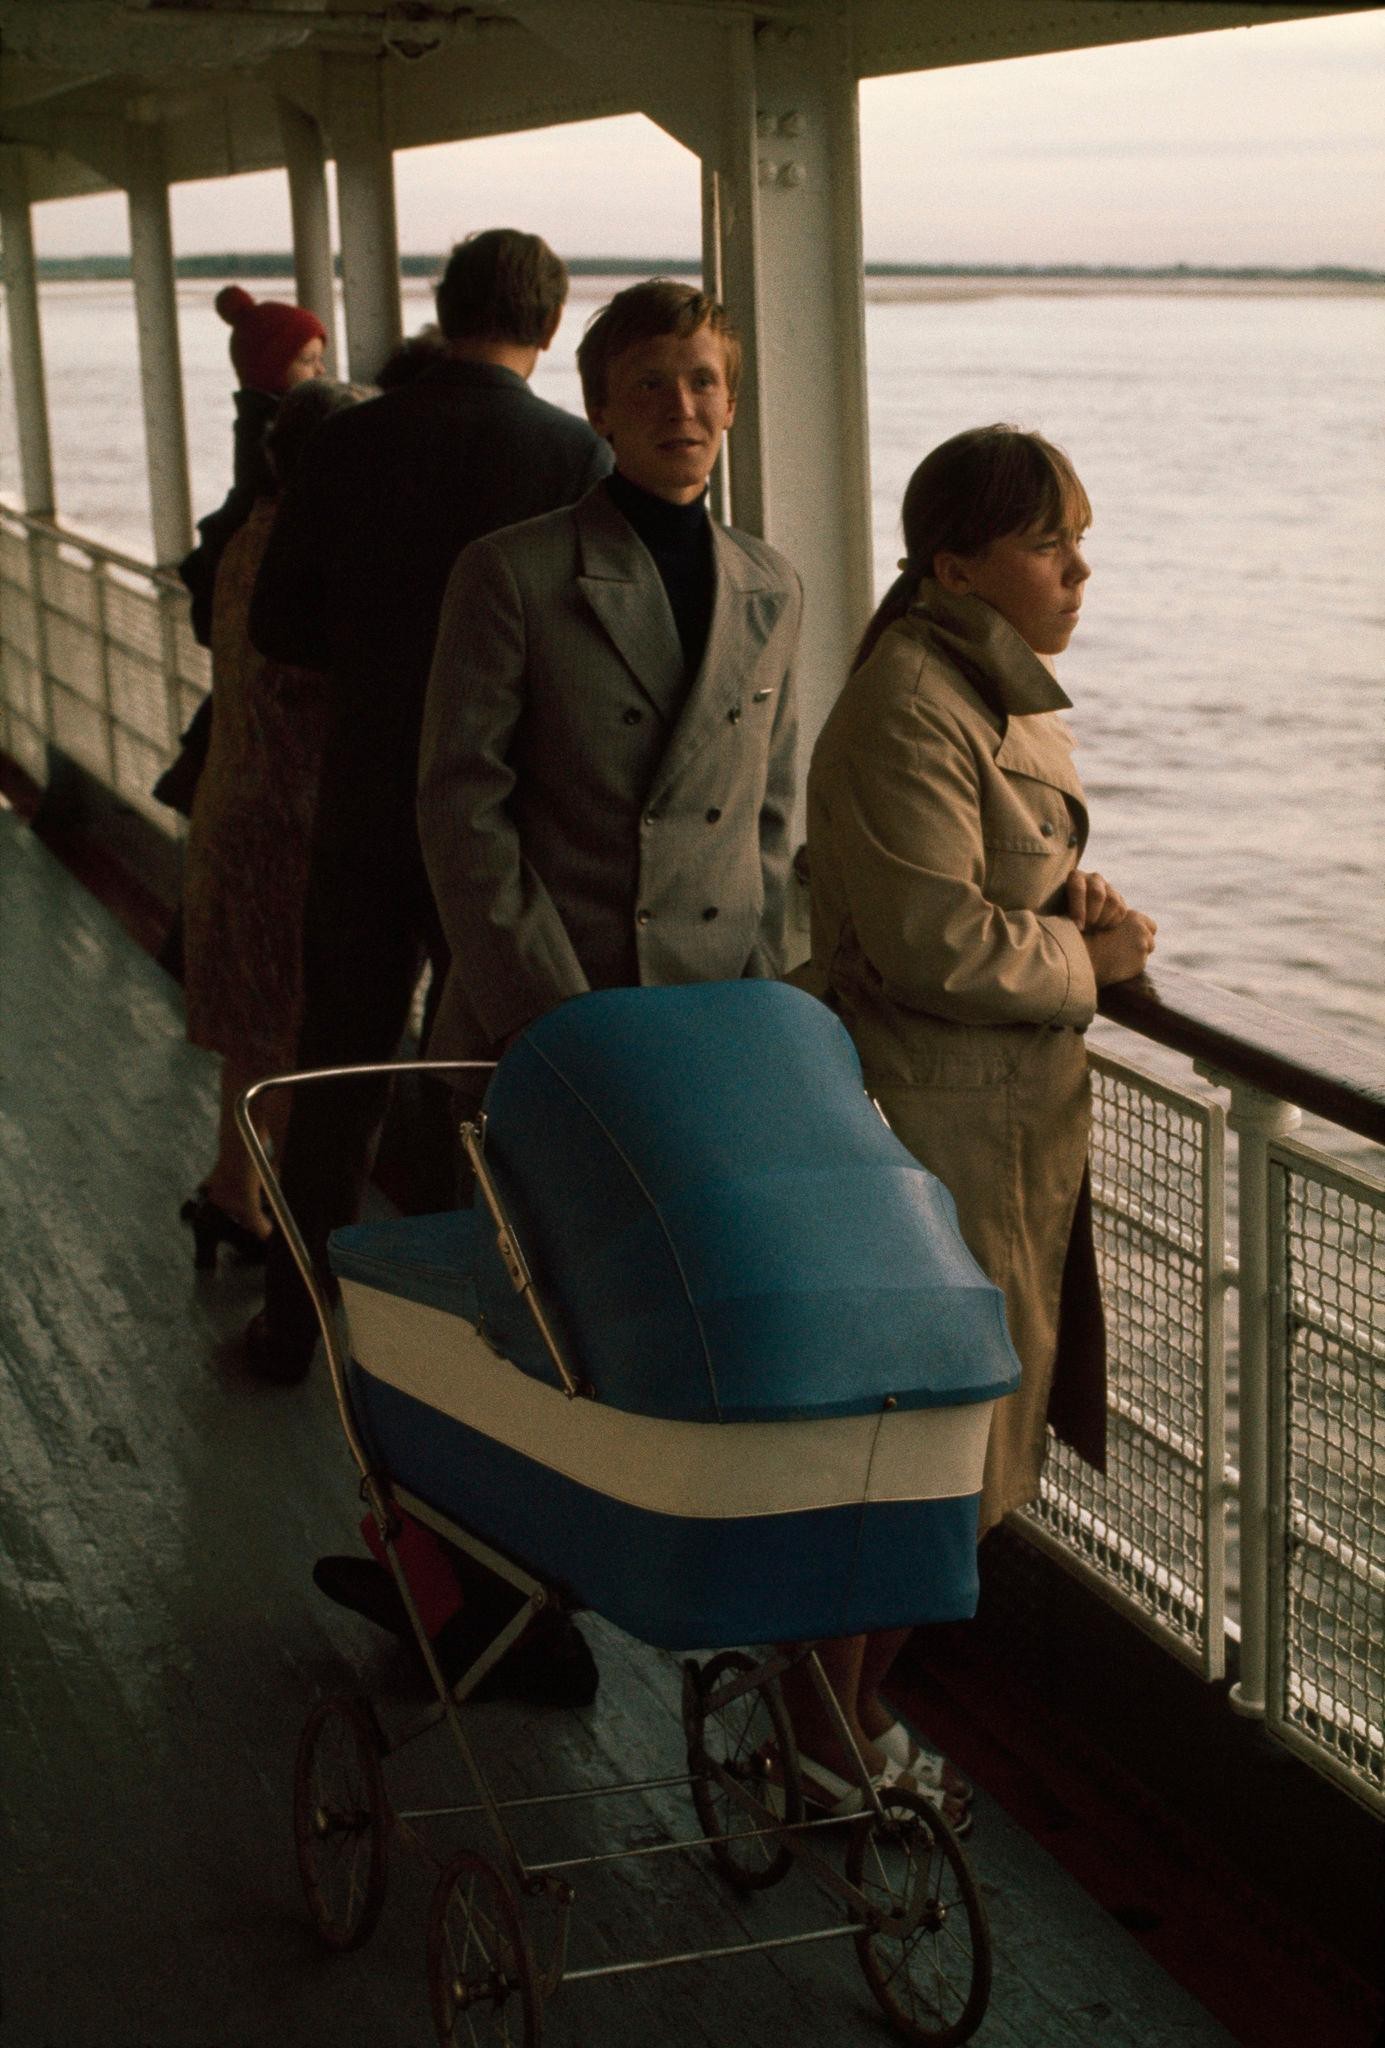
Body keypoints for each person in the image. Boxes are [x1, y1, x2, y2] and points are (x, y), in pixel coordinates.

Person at [790, 422, 1157, 1814]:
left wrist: (1076, 908)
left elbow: (989, 874)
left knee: (950, 1447)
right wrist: (1088, 967)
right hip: (927, 1137)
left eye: (1080, 544)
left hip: (994, 1133)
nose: (1077, 572)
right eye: (1049, 544)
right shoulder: (909, 706)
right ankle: (828, 1723)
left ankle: (834, 1704)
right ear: (954, 564)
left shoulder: (988, 691)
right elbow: (931, 937)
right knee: (918, 1448)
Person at [242, 227, 612, 1383]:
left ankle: (289, 1322)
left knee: (333, 1062)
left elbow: (279, 625)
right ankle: (439, 1355)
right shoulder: (578, 460)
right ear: (550, 326)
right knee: (471, 1079)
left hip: (361, 799)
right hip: (496, 825)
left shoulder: (349, 442)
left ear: (442, 310)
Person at [417, 277, 801, 1071]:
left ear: (731, 405)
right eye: (649, 384)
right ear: (600, 410)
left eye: (703, 382)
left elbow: (767, 812)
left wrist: (763, 989)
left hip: (719, 1014)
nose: (680, 407)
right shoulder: (514, 572)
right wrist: (549, 1013)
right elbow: (461, 805)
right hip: (557, 1007)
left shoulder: (770, 585)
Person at [179, 378, 369, 1268]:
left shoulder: (251, 536)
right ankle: (270, 1208)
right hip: (286, 822)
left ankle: (231, 1193)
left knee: (256, 1029)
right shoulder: (308, 557)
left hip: (241, 803)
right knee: (288, 1029)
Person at [153, 288, 327, 821]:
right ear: (273, 364)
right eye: (306, 360)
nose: (320, 373)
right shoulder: (276, 432)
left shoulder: (254, 420)